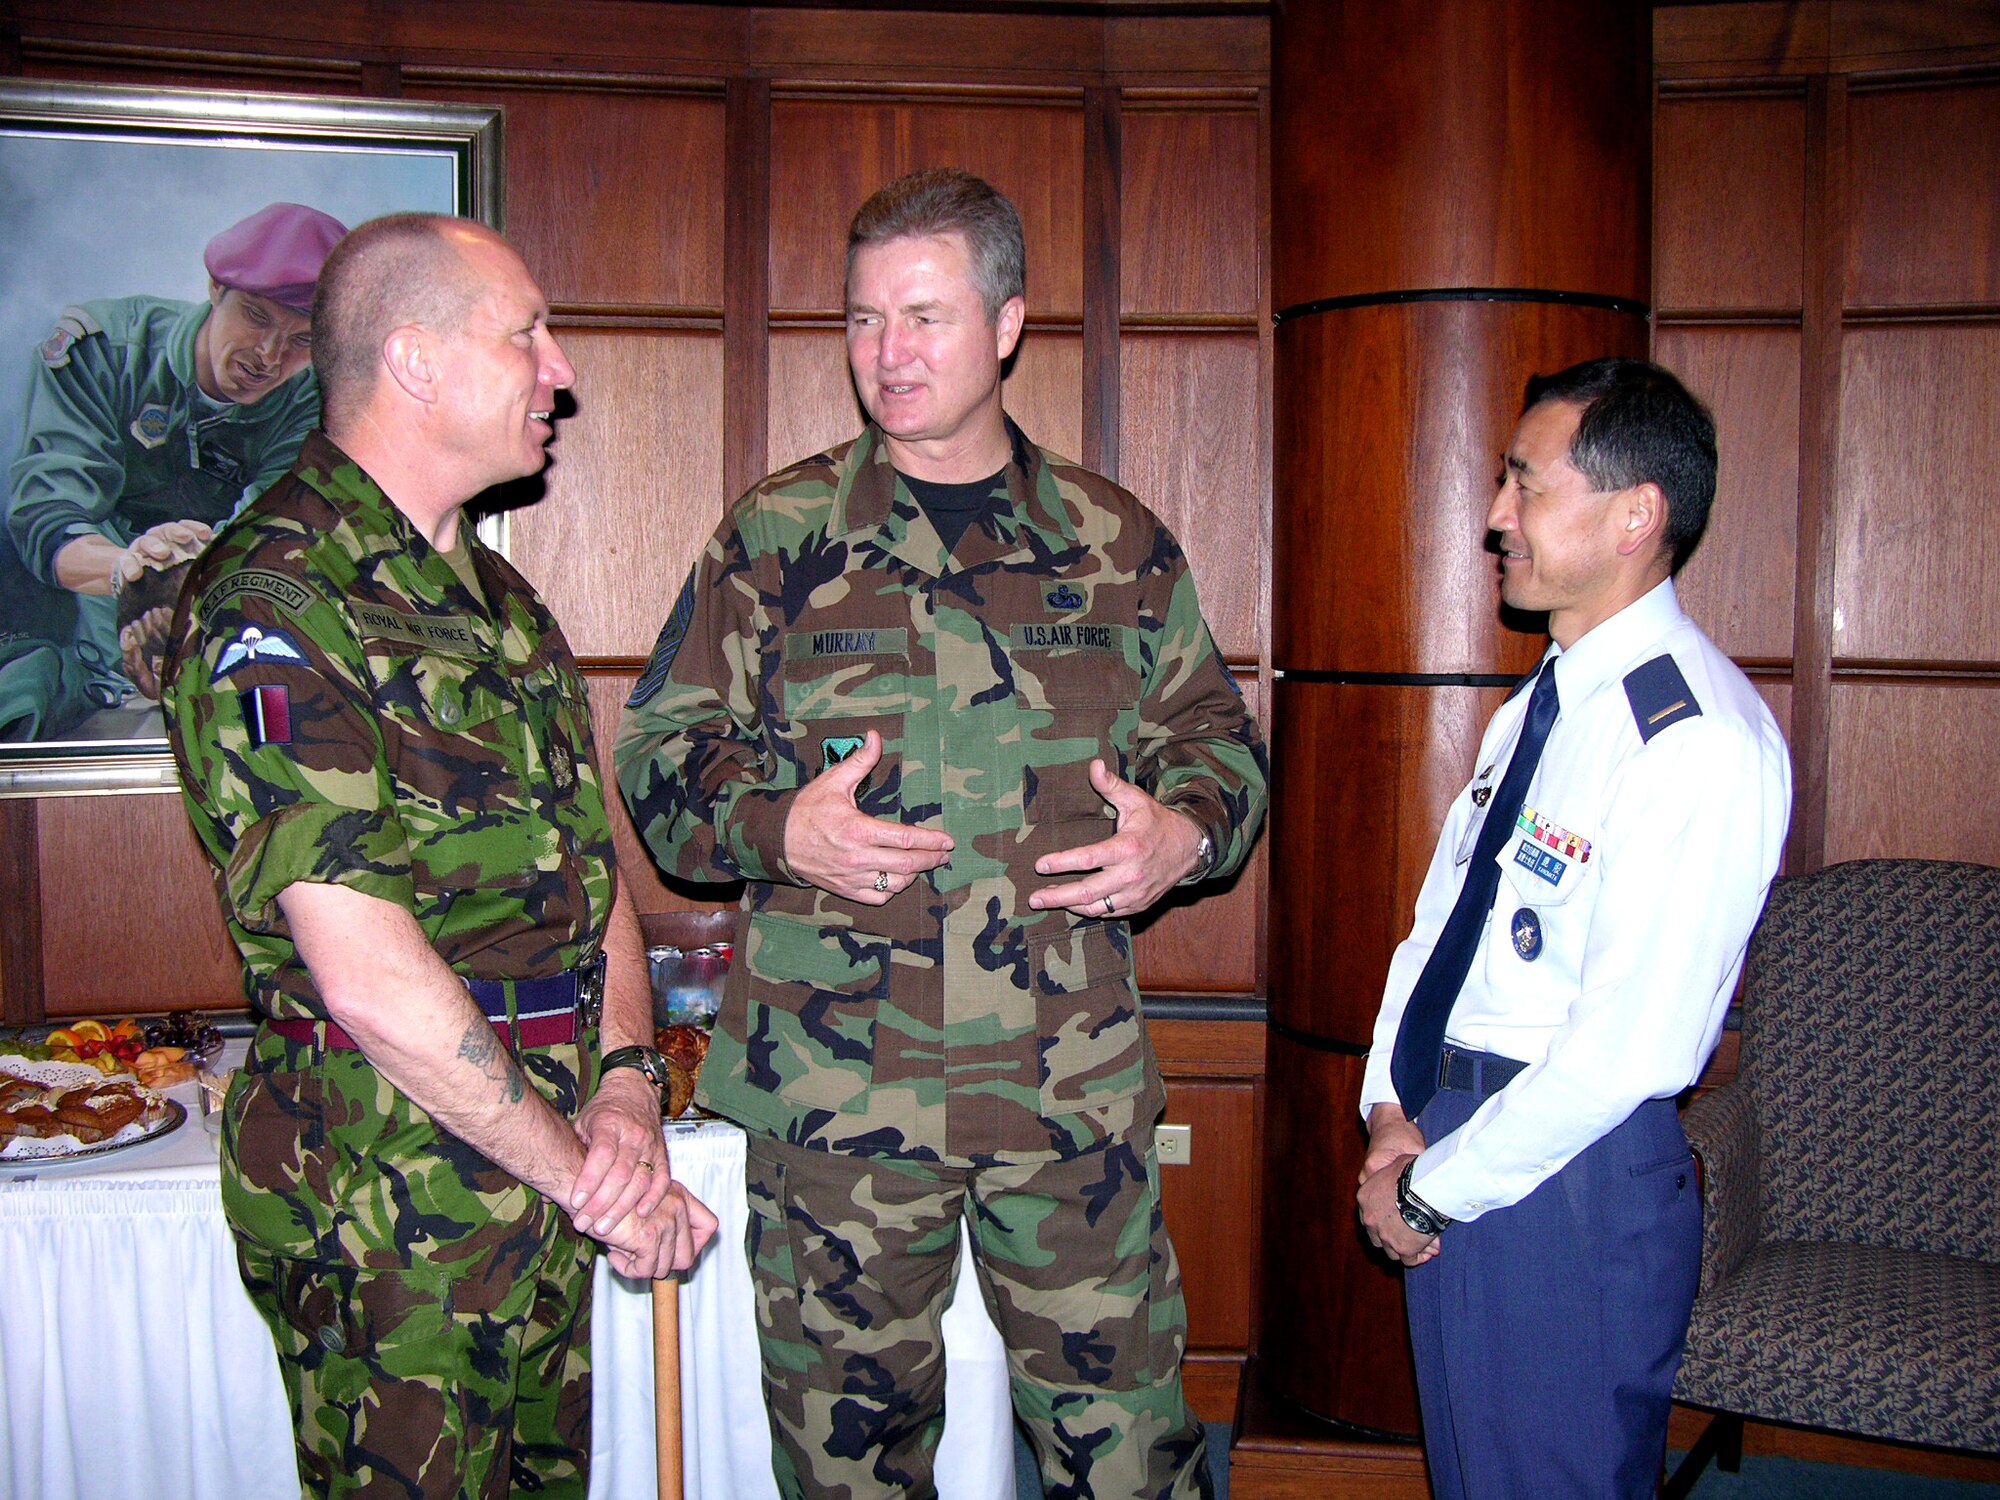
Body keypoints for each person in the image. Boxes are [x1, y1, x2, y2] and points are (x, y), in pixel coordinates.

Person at [615, 167, 1267, 1500]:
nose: (887, 356)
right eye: (862, 321)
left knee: (1131, 1454)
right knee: (847, 1468)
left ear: (1008, 323)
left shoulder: (1115, 545)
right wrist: (777, 830)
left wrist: (1181, 842)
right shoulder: (777, 538)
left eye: (924, 317)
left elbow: (1222, 752)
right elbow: (661, 760)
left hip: (1062, 1091)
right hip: (840, 1102)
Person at [163, 213, 717, 1500]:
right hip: (386, 1205)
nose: (558, 370)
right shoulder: (275, 599)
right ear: (412, 359)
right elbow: (363, 975)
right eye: (524, 334)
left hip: (546, 1162)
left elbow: (595, 888)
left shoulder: (502, 606)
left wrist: (628, 1083)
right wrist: (588, 1176)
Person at [1354, 358, 1793, 1498]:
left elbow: (1628, 1050)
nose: (1493, 516)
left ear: (1633, 514)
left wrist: (1427, 1190)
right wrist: (1394, 1112)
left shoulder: (1690, 739)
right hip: (1456, 1131)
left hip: (1567, 1179)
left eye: (1522, 485)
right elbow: (1438, 928)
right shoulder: (1539, 707)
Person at [2, 201, 348, 741]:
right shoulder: (103, 351)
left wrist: (188, 595)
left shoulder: (306, 404)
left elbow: (283, 539)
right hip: (60, 611)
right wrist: (135, 572)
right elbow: (47, 519)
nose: (268, 355)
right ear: (215, 288)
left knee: (282, 732)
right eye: (256, 316)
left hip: (195, 611)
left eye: (302, 340)